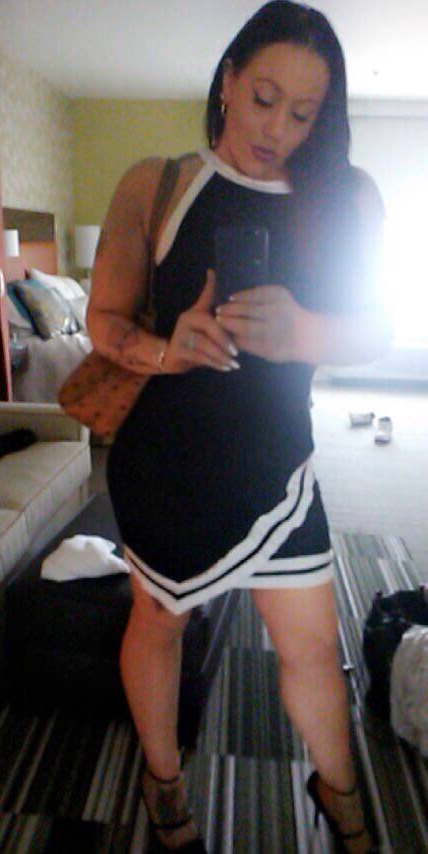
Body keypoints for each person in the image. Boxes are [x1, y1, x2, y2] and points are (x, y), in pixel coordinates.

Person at [87, 2, 392, 850]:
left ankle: (341, 794)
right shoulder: (156, 183)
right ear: (227, 80)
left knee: (313, 646)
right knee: (159, 624)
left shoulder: (345, 197)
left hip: (278, 470)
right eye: (264, 99)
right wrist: (168, 349)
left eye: (303, 114)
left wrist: (302, 332)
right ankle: (163, 784)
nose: (277, 130)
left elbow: (378, 330)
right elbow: (103, 322)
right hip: (165, 467)